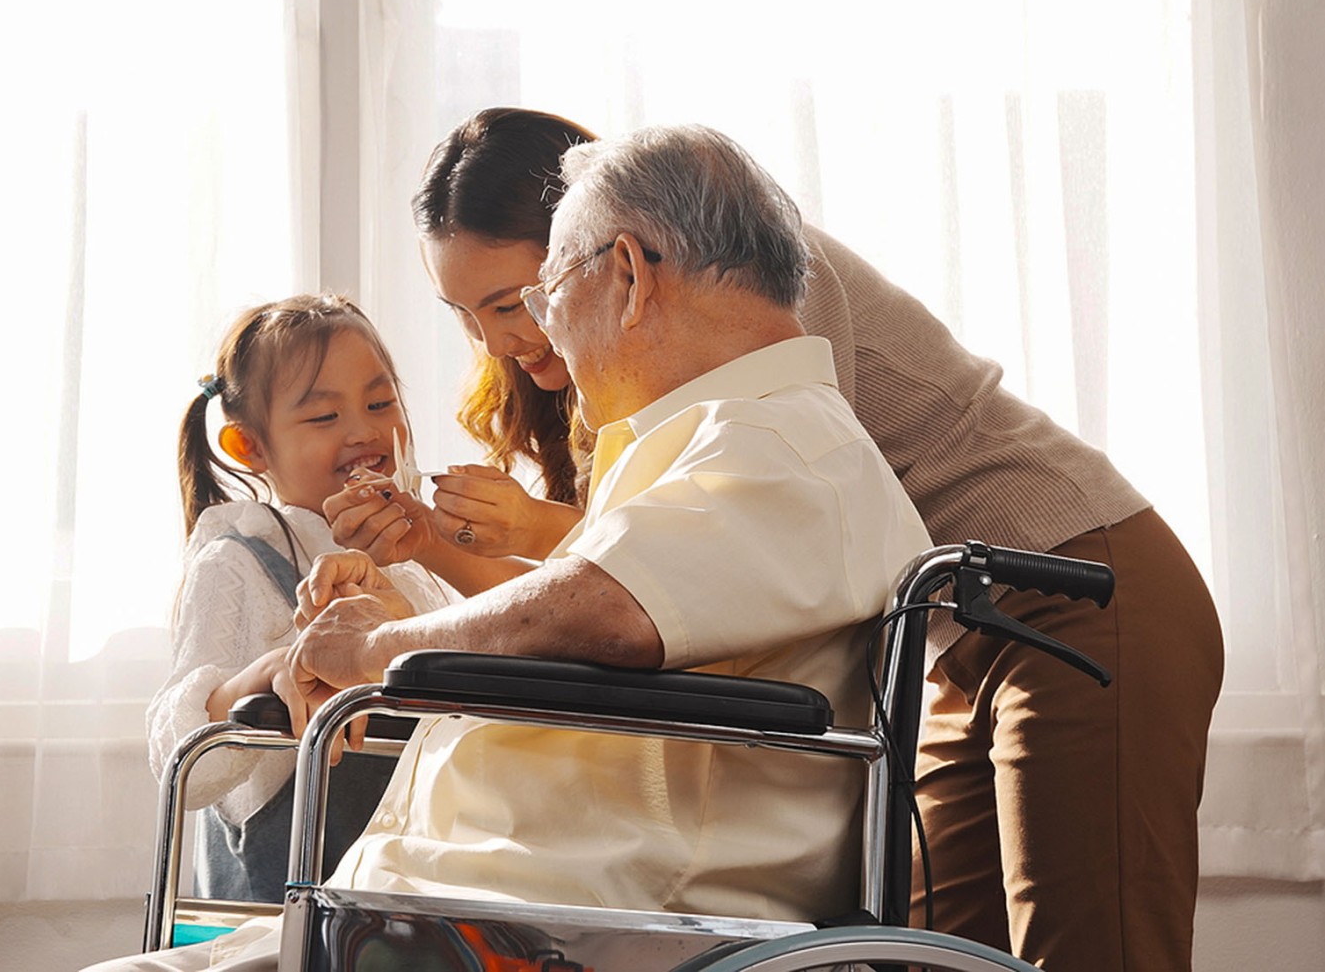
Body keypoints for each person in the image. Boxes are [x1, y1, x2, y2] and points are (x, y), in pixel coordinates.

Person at [336, 106, 1223, 971]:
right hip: (956, 631)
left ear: (624, 262)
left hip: (1077, 583)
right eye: (468, 315)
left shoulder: (753, 316)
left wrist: (389, 639)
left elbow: (710, 545)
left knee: (1093, 949)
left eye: (518, 297)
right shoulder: (649, 352)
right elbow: (659, 560)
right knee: (930, 941)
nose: (500, 337)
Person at [88, 125, 932, 971]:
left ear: (630, 277)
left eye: (544, 294)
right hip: (474, 907)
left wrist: (373, 647)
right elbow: (610, 609)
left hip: (554, 924)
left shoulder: (775, 442)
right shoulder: (717, 442)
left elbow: (604, 608)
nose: (533, 333)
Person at [153, 294, 456, 902]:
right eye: (323, 417)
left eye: (380, 402)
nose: (365, 431)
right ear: (251, 448)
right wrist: (266, 675)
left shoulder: (417, 559)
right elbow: (182, 762)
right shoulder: (238, 561)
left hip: (412, 900)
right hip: (288, 913)